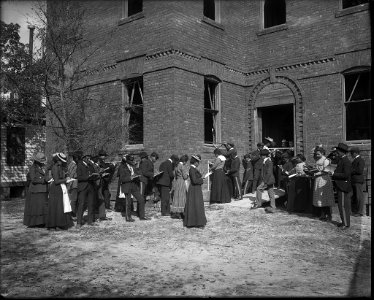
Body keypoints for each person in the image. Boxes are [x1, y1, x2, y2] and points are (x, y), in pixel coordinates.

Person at [46, 153, 74, 230]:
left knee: (60, 206)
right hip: (56, 189)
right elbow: (56, 181)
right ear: (57, 160)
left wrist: (66, 177)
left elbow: (61, 177)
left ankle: (59, 223)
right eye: (61, 161)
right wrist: (66, 180)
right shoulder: (54, 168)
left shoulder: (60, 167)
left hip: (60, 188)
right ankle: (53, 224)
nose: (62, 162)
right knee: (56, 207)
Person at [118, 154, 150, 222]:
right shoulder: (122, 167)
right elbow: (121, 178)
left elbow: (139, 173)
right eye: (130, 160)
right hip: (127, 186)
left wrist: (137, 172)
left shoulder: (133, 167)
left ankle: (142, 216)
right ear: (127, 160)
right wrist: (130, 178)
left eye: (132, 160)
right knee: (128, 202)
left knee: (141, 199)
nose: (132, 161)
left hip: (134, 185)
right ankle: (128, 217)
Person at [23, 152, 49, 228]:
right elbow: (33, 179)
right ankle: (35, 223)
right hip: (36, 190)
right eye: (42, 162)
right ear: (37, 162)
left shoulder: (41, 168)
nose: (43, 164)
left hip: (42, 190)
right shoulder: (33, 168)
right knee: (36, 208)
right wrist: (43, 180)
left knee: (42, 207)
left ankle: (42, 222)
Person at [331, 143, 352, 229]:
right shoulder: (342, 160)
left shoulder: (346, 161)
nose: (337, 153)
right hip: (341, 185)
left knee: (343, 206)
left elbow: (346, 175)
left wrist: (334, 174)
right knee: (341, 205)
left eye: (338, 151)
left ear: (342, 152)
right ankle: (344, 222)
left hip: (343, 186)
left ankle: (346, 224)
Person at [312, 146, 335, 221]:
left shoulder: (326, 160)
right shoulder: (318, 160)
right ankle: (322, 214)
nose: (317, 155)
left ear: (322, 153)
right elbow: (317, 168)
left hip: (324, 179)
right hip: (318, 179)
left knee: (325, 196)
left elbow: (326, 170)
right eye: (316, 154)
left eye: (318, 154)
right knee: (320, 197)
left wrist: (316, 174)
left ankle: (329, 215)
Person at [183, 154, 207, 228]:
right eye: (198, 162)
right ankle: (196, 222)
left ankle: (195, 222)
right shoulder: (192, 169)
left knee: (196, 204)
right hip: (194, 189)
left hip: (196, 189)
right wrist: (201, 179)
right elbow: (194, 180)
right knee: (196, 205)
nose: (198, 164)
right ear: (195, 162)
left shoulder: (194, 169)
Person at [76, 153, 99, 227]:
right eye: (87, 158)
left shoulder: (90, 166)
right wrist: (87, 177)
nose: (89, 159)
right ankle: (79, 222)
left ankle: (90, 221)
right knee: (81, 204)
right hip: (83, 187)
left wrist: (97, 176)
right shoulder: (79, 165)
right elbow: (79, 177)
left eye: (89, 158)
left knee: (91, 204)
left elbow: (93, 174)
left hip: (91, 186)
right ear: (83, 158)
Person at [171, 154, 189, 218]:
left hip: (177, 182)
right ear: (184, 161)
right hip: (181, 182)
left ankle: (176, 212)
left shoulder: (176, 166)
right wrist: (188, 175)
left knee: (177, 197)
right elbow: (184, 177)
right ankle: (181, 212)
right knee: (182, 196)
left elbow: (175, 176)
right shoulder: (182, 166)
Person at [350, 146, 366, 217]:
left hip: (358, 180)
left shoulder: (360, 160)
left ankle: (360, 212)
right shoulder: (355, 160)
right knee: (354, 196)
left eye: (351, 153)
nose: (351, 154)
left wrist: (350, 171)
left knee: (359, 196)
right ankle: (355, 211)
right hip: (354, 180)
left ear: (355, 153)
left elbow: (359, 171)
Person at [67, 151, 79, 218]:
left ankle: (74, 212)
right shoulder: (72, 165)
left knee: (75, 199)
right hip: (74, 183)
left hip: (74, 183)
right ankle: (72, 213)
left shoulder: (73, 164)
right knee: (74, 199)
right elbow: (71, 174)